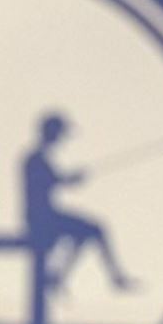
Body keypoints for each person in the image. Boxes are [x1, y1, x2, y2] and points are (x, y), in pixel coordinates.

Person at [23, 111, 136, 293]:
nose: (62, 139)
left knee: (87, 231)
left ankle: (58, 276)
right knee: (94, 229)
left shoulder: (38, 158)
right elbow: (48, 182)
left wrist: (70, 178)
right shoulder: (34, 158)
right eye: (60, 134)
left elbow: (53, 181)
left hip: (43, 217)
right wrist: (71, 178)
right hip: (41, 219)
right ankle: (112, 279)